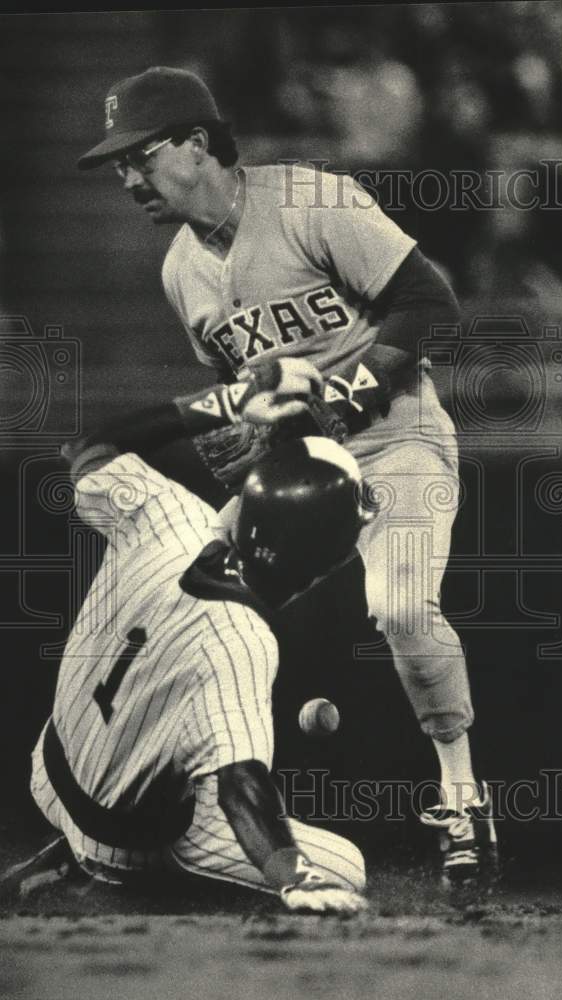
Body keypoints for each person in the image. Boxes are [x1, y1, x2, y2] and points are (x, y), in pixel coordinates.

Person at [77, 66, 497, 882]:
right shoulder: (179, 272)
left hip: (396, 440)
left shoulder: (311, 202)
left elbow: (427, 304)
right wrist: (242, 433)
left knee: (402, 605)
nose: (128, 178)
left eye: (138, 155)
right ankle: (139, 803)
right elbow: (252, 393)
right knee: (184, 598)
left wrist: (329, 402)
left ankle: (462, 795)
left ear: (197, 145)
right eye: (117, 165)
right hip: (295, 465)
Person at [30, 357, 371, 915]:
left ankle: (67, 853)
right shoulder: (240, 641)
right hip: (122, 842)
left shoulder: (168, 513)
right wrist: (293, 875)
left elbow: (90, 446)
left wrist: (230, 402)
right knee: (344, 868)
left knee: (190, 744)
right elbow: (242, 785)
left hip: (49, 768)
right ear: (323, 568)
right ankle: (105, 879)